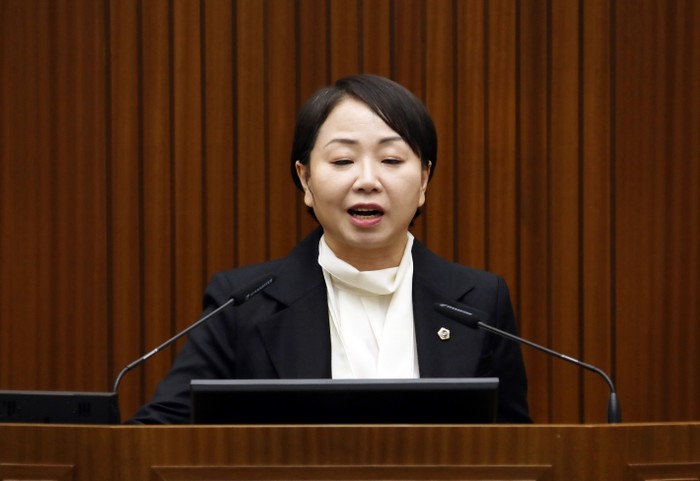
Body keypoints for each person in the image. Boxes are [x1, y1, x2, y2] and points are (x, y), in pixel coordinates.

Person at [129, 74, 531, 424]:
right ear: (305, 180)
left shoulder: (479, 304)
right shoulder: (243, 304)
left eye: (391, 159)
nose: (367, 180)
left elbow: (514, 450)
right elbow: (161, 430)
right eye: (342, 160)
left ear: (424, 179)